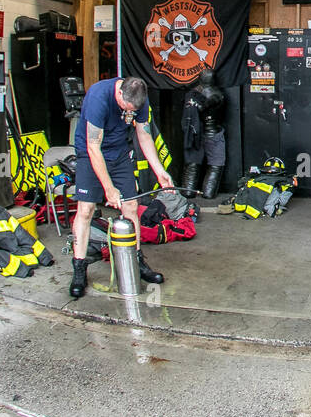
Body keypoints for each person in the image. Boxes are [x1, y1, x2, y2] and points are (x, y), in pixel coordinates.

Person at [68, 76, 173, 298]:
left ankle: (137, 261)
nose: (129, 112)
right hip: (91, 153)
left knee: (131, 207)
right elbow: (93, 146)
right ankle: (79, 267)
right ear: (119, 94)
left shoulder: (139, 99)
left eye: (133, 110)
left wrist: (159, 171)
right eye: (126, 108)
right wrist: (109, 188)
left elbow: (144, 135)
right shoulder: (98, 97)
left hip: (119, 153)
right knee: (85, 210)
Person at [180, 69, 226, 199]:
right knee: (216, 164)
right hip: (213, 133)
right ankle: (208, 193)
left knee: (192, 163)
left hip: (193, 133)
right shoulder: (217, 94)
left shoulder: (191, 94)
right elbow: (207, 105)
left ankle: (188, 191)